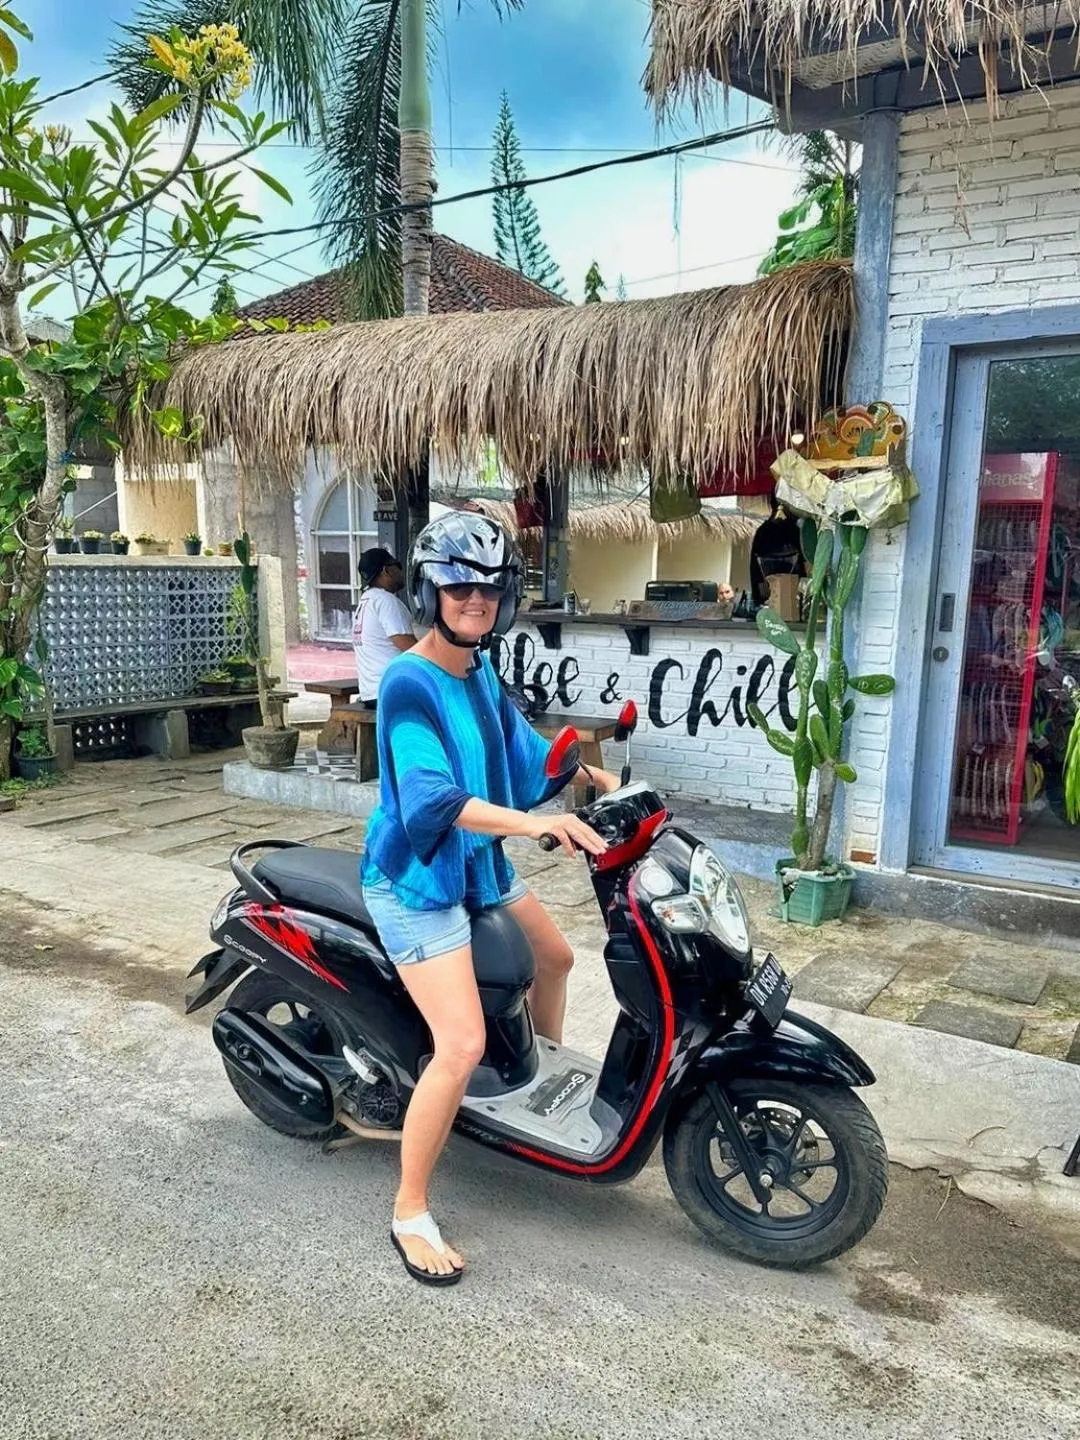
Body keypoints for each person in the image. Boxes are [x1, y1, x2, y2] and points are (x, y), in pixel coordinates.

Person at [360, 513, 619, 1287]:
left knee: (557, 956)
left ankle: (532, 1082)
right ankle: (409, 1209)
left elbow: (524, 752)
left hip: (476, 863)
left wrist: (588, 773)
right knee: (463, 1044)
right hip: (421, 878)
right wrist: (536, 823)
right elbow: (433, 799)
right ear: (431, 591)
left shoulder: (479, 675)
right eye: (459, 584)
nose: (475, 598)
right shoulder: (411, 681)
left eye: (489, 586)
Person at [351, 547, 415, 708]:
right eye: (398, 565)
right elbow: (406, 644)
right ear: (387, 570)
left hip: (371, 692)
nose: (401, 571)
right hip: (391, 692)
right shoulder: (385, 601)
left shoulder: (366, 600)